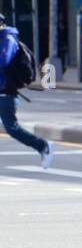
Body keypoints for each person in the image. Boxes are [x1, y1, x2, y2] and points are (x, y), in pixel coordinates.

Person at [0, 12, 54, 168]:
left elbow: (3, 60)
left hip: (5, 91)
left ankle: (43, 146)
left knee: (12, 128)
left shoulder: (8, 39)